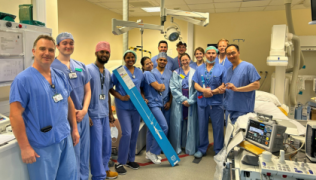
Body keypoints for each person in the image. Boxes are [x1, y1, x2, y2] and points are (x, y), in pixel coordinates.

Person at [9, 35, 79, 180]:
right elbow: (15, 115)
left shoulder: (60, 75)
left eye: (51, 50)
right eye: (42, 49)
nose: (47, 53)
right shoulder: (23, 80)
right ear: (33, 51)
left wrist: (75, 129)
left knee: (70, 176)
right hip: (42, 145)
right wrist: (25, 147)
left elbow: (69, 102)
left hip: (64, 138)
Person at [51, 32, 91, 180]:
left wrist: (85, 110)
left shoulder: (80, 66)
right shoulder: (52, 67)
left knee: (84, 150)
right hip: (65, 117)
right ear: (57, 46)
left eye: (71, 43)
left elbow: (88, 91)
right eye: (64, 43)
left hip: (83, 115)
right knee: (71, 154)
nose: (68, 46)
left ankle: (84, 177)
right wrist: (73, 112)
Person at [87, 41, 118, 179]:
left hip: (104, 113)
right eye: (102, 52)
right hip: (93, 114)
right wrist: (86, 113)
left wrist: (110, 113)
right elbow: (83, 94)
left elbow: (106, 93)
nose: (104, 55)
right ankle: (98, 175)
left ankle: (105, 169)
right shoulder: (87, 70)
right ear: (96, 53)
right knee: (96, 145)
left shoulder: (107, 72)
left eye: (107, 52)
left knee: (107, 143)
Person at [110, 50, 144, 175]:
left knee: (135, 133)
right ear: (124, 58)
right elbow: (110, 88)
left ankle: (131, 160)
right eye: (128, 57)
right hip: (123, 106)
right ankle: (120, 162)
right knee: (127, 133)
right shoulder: (119, 72)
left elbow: (141, 87)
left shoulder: (140, 72)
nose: (130, 59)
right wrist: (121, 97)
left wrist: (142, 97)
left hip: (136, 107)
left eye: (132, 57)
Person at [192, 46, 226, 158]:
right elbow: (195, 83)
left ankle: (218, 149)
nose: (211, 55)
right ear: (205, 55)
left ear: (216, 55)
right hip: (202, 103)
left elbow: (224, 84)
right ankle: (202, 148)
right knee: (202, 126)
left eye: (213, 53)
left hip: (216, 103)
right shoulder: (199, 68)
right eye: (209, 53)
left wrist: (212, 92)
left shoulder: (222, 68)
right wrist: (203, 91)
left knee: (218, 127)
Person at [169, 53, 198, 155]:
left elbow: (197, 88)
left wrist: (190, 101)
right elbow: (173, 87)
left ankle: (188, 145)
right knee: (178, 123)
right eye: (183, 60)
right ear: (180, 61)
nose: (185, 62)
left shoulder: (195, 72)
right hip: (179, 100)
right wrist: (183, 100)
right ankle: (178, 146)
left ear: (190, 60)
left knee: (189, 123)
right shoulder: (176, 72)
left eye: (186, 60)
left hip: (191, 100)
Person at [141, 56, 168, 164]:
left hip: (155, 103)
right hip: (153, 104)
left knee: (151, 129)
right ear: (143, 66)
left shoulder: (150, 74)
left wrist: (161, 86)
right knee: (164, 127)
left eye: (150, 63)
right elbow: (158, 87)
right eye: (147, 64)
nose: (150, 65)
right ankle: (154, 151)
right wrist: (161, 86)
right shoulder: (147, 74)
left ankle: (148, 152)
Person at [224, 44, 261, 125]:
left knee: (238, 136)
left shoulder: (248, 66)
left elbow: (256, 85)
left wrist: (237, 89)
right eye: (228, 54)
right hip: (229, 108)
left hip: (242, 110)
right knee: (229, 136)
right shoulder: (229, 70)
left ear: (239, 53)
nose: (231, 56)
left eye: (233, 53)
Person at [151, 52, 173, 138]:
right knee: (156, 125)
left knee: (166, 125)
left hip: (166, 102)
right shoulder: (151, 72)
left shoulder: (170, 73)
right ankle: (156, 146)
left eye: (164, 60)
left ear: (167, 62)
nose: (162, 62)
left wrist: (169, 102)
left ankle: (164, 146)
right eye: (160, 60)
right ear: (156, 60)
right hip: (155, 103)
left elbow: (172, 89)